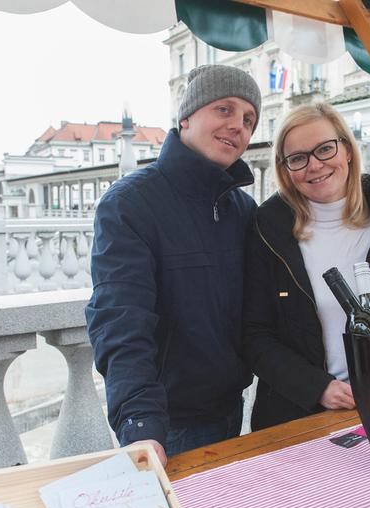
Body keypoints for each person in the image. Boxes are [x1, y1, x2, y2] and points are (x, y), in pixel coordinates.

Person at [85, 65, 261, 465]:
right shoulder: (130, 203)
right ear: (186, 117)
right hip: (166, 424)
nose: (238, 125)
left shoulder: (242, 209)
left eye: (248, 119)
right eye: (224, 110)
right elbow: (120, 319)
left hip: (231, 409)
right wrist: (140, 425)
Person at [243, 103, 370, 431]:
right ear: (285, 170)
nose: (315, 166)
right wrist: (318, 387)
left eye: (325, 149)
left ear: (348, 151)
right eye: (298, 158)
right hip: (295, 415)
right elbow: (254, 335)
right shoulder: (267, 230)